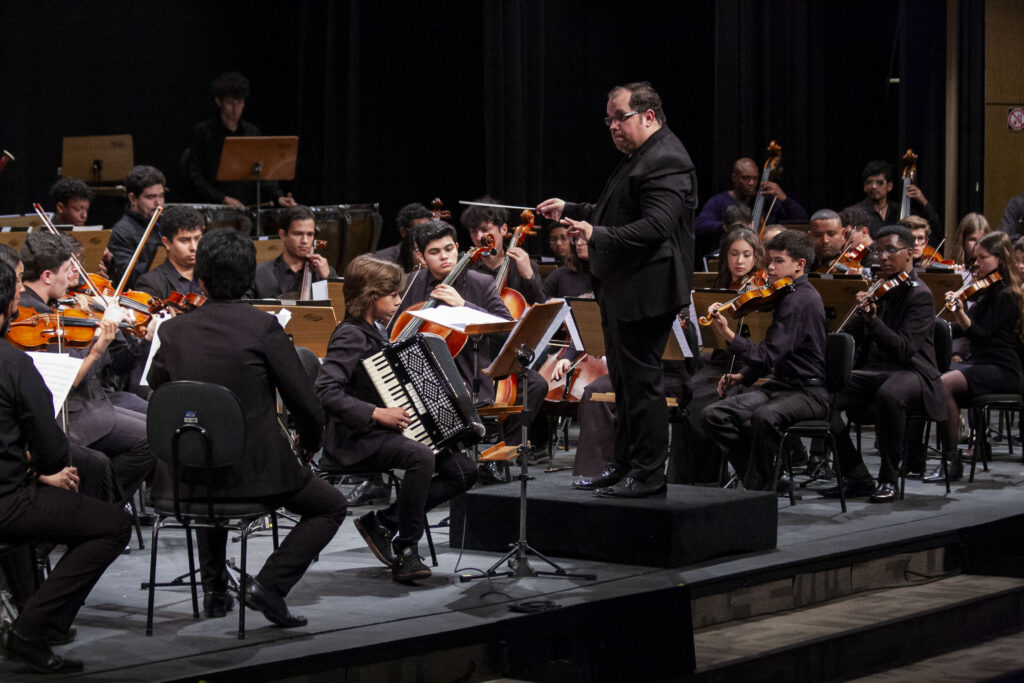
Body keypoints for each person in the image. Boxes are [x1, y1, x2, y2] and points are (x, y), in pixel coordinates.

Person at [147, 228, 346, 626]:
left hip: (185, 481)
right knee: (331, 506)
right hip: (257, 477)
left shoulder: (172, 331)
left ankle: (215, 591)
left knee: (207, 457)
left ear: (201, 280)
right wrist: (309, 445)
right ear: (248, 279)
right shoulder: (263, 328)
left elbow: (158, 385)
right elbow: (304, 402)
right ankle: (269, 585)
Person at [538, 80, 697, 497]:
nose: (612, 126)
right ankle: (624, 465)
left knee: (641, 383)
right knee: (623, 382)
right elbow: (617, 213)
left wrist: (598, 235)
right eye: (608, 120)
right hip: (623, 286)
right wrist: (571, 210)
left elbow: (657, 226)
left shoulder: (666, 159)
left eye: (619, 118)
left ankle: (649, 474)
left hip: (648, 289)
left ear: (649, 116)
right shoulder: (639, 156)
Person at [0, 260, 132, 674]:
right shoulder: (13, 364)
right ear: (7, 307)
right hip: (6, 503)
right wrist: (39, 471)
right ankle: (31, 630)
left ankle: (34, 616)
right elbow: (54, 452)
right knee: (114, 525)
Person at [316, 255, 477, 582]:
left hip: (382, 431)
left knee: (464, 471)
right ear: (370, 296)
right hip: (355, 438)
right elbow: (326, 390)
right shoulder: (351, 335)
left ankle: (384, 523)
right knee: (420, 456)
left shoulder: (376, 330)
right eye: (392, 294)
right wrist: (376, 412)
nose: (398, 300)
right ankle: (406, 548)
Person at [392, 220, 543, 484]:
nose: (444, 256)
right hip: (420, 370)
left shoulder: (480, 283)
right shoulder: (410, 283)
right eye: (434, 252)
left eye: (448, 249)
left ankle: (459, 465)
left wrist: (464, 306)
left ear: (457, 247)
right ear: (422, 257)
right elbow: (395, 327)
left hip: (469, 373)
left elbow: (507, 329)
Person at [19, 233, 155, 500]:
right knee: (151, 439)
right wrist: (100, 341)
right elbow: (74, 377)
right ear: (47, 276)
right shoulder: (38, 318)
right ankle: (100, 502)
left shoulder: (49, 307)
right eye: (67, 269)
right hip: (69, 415)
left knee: (155, 425)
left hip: (88, 403)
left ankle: (100, 499)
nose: (73, 276)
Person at [823, 225, 943, 503]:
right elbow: (850, 332)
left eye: (890, 250)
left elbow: (904, 349)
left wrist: (873, 321)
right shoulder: (879, 288)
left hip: (913, 371)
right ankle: (856, 474)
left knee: (890, 394)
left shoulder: (920, 295)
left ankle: (889, 479)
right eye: (879, 251)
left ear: (910, 253)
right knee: (823, 397)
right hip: (876, 371)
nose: (883, 257)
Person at [701, 230, 828, 491]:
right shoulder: (788, 295)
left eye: (778, 261)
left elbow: (768, 354)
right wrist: (742, 376)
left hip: (808, 392)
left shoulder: (800, 300)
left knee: (764, 417)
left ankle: (758, 484)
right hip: (781, 387)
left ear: (800, 264)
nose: (769, 267)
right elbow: (774, 357)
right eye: (770, 260)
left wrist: (728, 334)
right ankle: (763, 478)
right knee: (714, 414)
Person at [929, 231, 1024, 482]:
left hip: (1002, 368)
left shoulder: (1007, 295)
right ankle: (945, 457)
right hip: (982, 364)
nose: (977, 263)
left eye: (983, 258)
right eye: (976, 258)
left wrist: (960, 313)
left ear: (1000, 259)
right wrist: (933, 327)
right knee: (934, 377)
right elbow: (963, 329)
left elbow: (980, 333)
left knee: (944, 383)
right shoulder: (989, 291)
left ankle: (951, 461)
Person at [186, 72, 297, 209]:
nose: (235, 108)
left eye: (239, 102)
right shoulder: (203, 132)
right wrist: (222, 198)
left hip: (246, 207)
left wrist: (278, 196)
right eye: (229, 103)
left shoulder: (252, 133)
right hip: (213, 207)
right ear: (218, 102)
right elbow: (195, 176)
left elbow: (263, 172)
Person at [694, 157, 807, 263]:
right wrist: (725, 227)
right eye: (746, 178)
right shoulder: (718, 201)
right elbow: (699, 225)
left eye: (755, 178)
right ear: (734, 177)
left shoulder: (767, 201)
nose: (751, 183)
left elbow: (801, 219)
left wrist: (784, 199)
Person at [462, 199, 545, 306]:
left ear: (504, 229)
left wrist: (529, 276)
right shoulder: (466, 268)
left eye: (485, 229)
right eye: (473, 231)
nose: (478, 237)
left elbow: (542, 307)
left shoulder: (524, 264)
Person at [247, 205, 337, 299]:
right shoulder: (258, 273)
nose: (305, 241)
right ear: (283, 235)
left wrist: (329, 278)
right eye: (298, 234)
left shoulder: (324, 272)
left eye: (310, 234)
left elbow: (341, 303)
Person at [107, 165, 167, 289]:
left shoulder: (165, 224)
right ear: (133, 198)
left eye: (161, 196)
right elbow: (127, 277)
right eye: (151, 197)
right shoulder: (121, 232)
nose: (158, 203)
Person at [134, 204, 204, 300]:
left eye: (197, 238)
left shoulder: (210, 275)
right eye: (184, 240)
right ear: (166, 242)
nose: (194, 247)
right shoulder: (151, 283)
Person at [856, 160, 939, 238]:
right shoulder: (856, 212)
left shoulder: (899, 210)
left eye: (879, 182)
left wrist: (923, 201)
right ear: (865, 187)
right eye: (869, 182)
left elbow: (934, 227)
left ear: (889, 186)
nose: (874, 186)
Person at [375, 202, 433, 271]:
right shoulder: (382, 259)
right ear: (403, 232)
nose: (426, 235)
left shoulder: (434, 255)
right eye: (419, 230)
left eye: (428, 230)